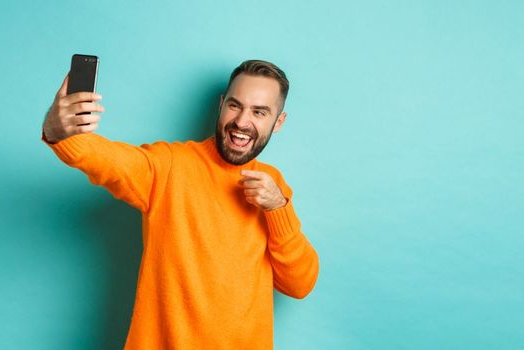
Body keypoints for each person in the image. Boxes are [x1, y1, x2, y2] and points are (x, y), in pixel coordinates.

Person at [41, 59, 319, 349]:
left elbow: (299, 284)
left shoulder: (273, 186)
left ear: (279, 122)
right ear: (222, 104)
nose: (241, 122)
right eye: (235, 106)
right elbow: (107, 160)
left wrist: (278, 208)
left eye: (259, 112)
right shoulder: (170, 166)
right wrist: (57, 130)